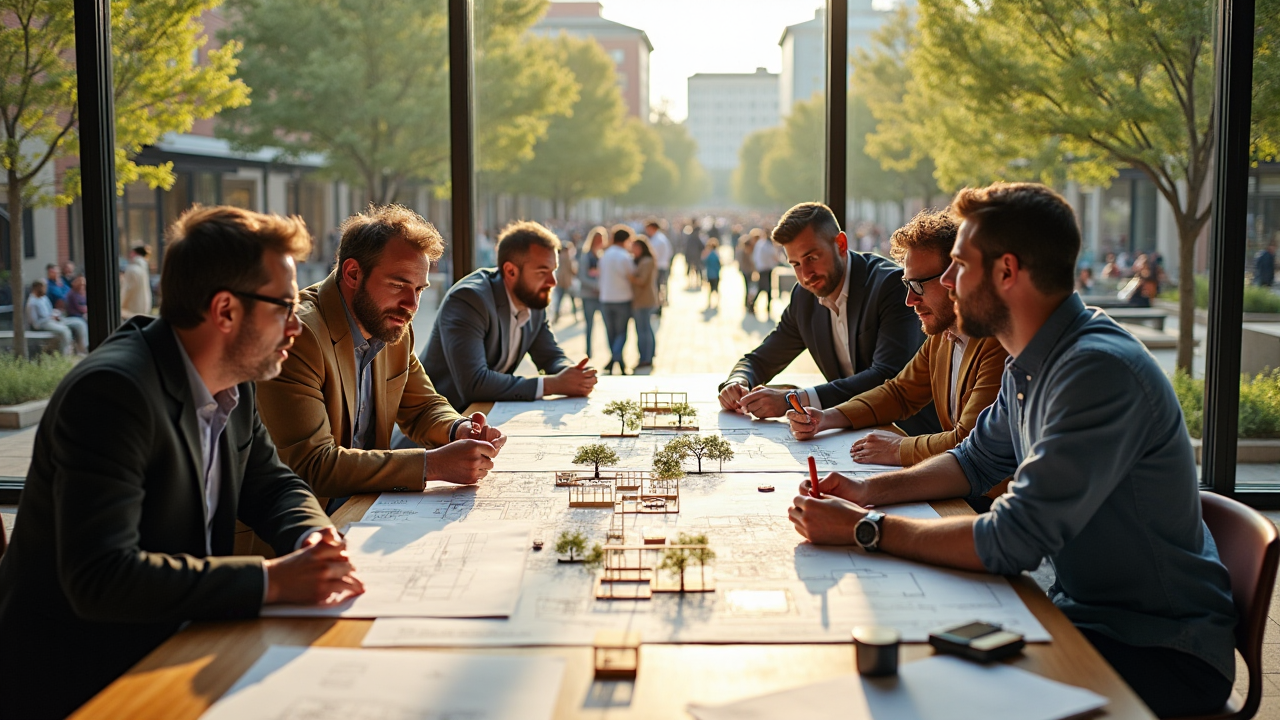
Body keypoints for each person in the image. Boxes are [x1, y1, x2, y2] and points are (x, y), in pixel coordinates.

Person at [788, 183, 1237, 719]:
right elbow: (974, 460)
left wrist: (866, 529)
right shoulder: (1032, 360)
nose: (947, 283)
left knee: (926, 698)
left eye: (958, 266)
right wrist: (866, 492)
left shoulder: (1094, 372)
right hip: (1081, 614)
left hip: (1161, 649)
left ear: (1006, 272)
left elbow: (1012, 541)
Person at [0, 206, 366, 719]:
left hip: (182, 644)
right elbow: (102, 577)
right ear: (225, 311)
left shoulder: (232, 376)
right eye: (285, 307)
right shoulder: (113, 394)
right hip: (83, 682)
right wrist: (274, 580)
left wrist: (312, 536)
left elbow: (272, 485)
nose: (296, 328)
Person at [256, 204, 506, 507]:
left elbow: (422, 406)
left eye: (419, 289)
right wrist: (432, 465)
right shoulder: (298, 336)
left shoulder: (391, 323)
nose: (411, 305)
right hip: (303, 517)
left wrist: (459, 429)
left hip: (366, 503)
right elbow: (313, 465)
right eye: (398, 285)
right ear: (352, 273)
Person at [786, 209, 1007, 471]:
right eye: (908, 285)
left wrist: (897, 448)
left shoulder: (998, 342)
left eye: (919, 285)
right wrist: (826, 418)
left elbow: (969, 442)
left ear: (958, 277)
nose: (910, 300)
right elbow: (899, 393)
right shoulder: (944, 334)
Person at [719, 202, 939, 435]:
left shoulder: (889, 285)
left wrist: (794, 400)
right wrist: (738, 382)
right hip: (849, 435)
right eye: (795, 264)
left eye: (812, 258)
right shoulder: (804, 297)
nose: (805, 275)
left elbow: (887, 376)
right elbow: (762, 359)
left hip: (911, 435)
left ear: (841, 244)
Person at [420, 220, 596, 410]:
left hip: (484, 414)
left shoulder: (532, 298)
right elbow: (475, 383)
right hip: (438, 419)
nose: (552, 282)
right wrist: (552, 385)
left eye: (553, 270)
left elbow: (550, 356)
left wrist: (573, 373)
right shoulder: (469, 300)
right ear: (510, 271)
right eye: (542, 272)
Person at [599, 225, 636, 375]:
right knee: (621, 332)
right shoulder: (624, 256)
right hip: (622, 298)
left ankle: (615, 359)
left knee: (611, 332)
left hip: (606, 297)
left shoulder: (605, 255)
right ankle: (617, 357)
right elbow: (631, 275)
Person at [25, 278, 87, 355]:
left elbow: (50, 311)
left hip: (53, 320)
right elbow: (35, 324)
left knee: (79, 323)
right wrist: (50, 318)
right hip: (44, 324)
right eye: (44, 287)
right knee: (65, 331)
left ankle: (82, 350)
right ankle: (64, 355)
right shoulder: (32, 303)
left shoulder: (44, 297)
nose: (46, 289)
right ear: (37, 288)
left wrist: (56, 314)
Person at [630, 236, 659, 372]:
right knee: (646, 329)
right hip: (643, 299)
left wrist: (628, 276)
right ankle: (648, 356)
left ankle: (645, 358)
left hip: (644, 300)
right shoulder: (644, 260)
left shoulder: (646, 261)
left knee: (643, 330)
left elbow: (642, 280)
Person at [578, 226, 606, 359]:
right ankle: (589, 350)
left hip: (601, 295)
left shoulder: (602, 255)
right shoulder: (586, 256)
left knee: (607, 323)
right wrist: (596, 286)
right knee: (589, 324)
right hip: (589, 295)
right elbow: (582, 276)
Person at [550, 233, 579, 323]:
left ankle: (556, 317)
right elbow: (573, 271)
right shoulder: (568, 258)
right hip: (567, 282)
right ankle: (575, 316)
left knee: (559, 301)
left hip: (560, 282)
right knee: (572, 300)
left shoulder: (558, 258)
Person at [644, 219, 673, 309]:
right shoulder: (661, 238)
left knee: (657, 287)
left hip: (658, 266)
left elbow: (653, 255)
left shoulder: (657, 240)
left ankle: (657, 306)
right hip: (662, 265)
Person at [120, 244, 153, 318]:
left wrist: (119, 305)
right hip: (144, 307)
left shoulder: (132, 269)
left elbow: (127, 290)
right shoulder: (144, 267)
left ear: (134, 253)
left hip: (131, 309)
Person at [751, 230, 779, 314]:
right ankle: (755, 304)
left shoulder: (760, 244)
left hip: (763, 268)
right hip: (765, 269)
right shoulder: (765, 245)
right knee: (764, 288)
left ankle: (766, 305)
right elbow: (773, 256)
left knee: (765, 288)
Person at [736, 231, 757, 309]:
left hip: (745, 271)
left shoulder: (741, 251)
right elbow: (751, 263)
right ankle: (748, 303)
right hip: (747, 271)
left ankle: (747, 302)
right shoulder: (747, 252)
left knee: (747, 287)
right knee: (749, 287)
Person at [703, 237, 722, 309]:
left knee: (710, 290)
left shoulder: (709, 255)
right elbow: (719, 265)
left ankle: (709, 302)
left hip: (710, 274)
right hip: (716, 274)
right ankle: (718, 302)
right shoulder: (716, 255)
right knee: (716, 289)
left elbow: (704, 262)